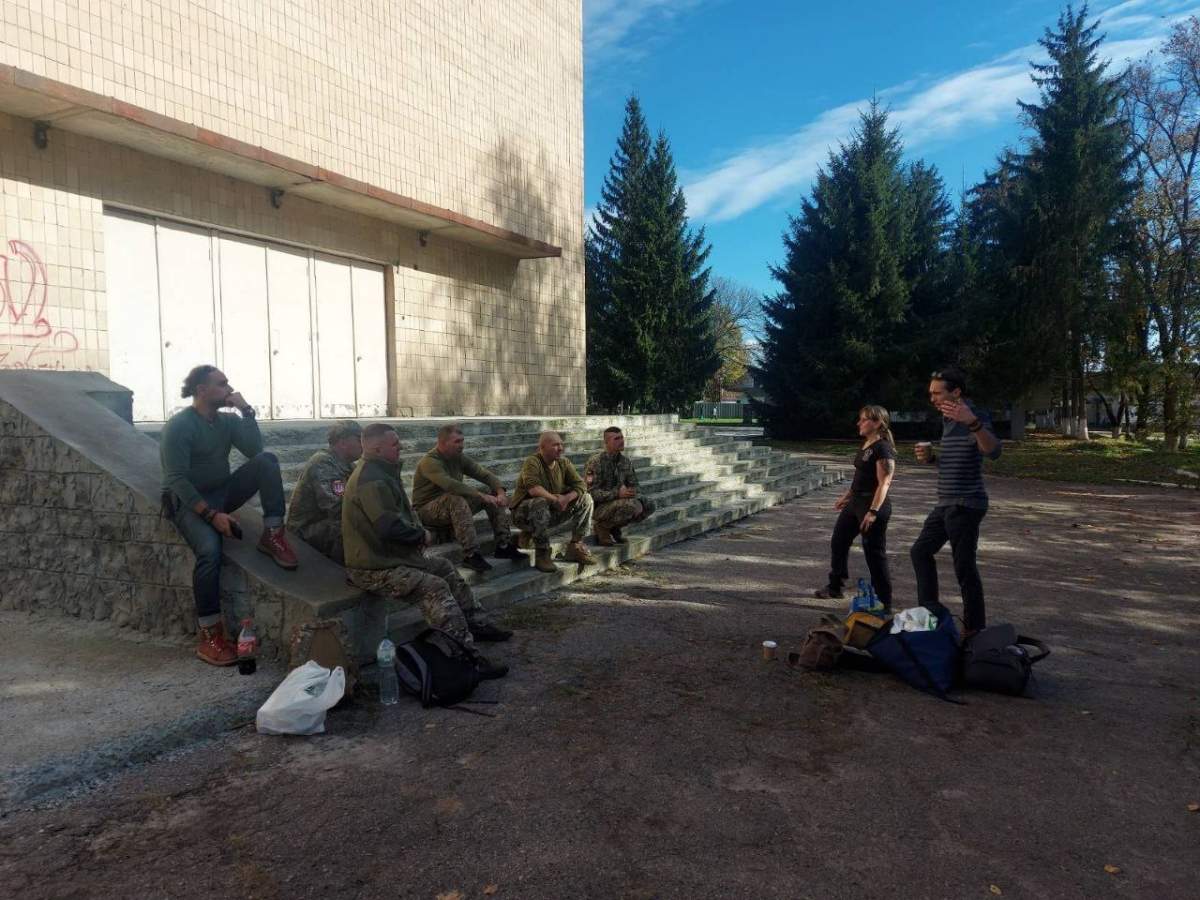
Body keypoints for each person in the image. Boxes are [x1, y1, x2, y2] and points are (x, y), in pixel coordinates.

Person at [341, 423, 510, 678]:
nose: (402, 447)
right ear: (376, 448)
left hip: (390, 557)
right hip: (372, 567)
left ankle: (477, 623)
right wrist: (421, 535)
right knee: (434, 587)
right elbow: (387, 526)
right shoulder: (371, 478)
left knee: (445, 567)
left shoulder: (382, 470)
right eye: (395, 443)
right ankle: (466, 659)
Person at [160, 365, 298, 666]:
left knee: (267, 461)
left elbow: (254, 449)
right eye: (222, 385)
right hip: (189, 501)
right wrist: (211, 516)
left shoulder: (225, 421)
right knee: (210, 552)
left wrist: (246, 410)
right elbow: (177, 480)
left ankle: (272, 535)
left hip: (222, 492)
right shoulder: (180, 426)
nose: (228, 389)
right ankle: (210, 635)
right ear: (201, 390)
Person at [910, 366, 1002, 637]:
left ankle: (974, 631)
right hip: (946, 502)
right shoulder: (948, 419)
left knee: (964, 567)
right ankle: (930, 615)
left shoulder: (974, 415)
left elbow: (993, 451)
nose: (933, 398)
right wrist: (932, 459)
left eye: (937, 393)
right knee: (920, 551)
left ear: (956, 392)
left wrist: (972, 422)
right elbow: (957, 459)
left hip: (967, 503)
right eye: (931, 393)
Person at [814, 405, 896, 611]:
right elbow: (861, 477)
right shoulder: (867, 444)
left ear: (877, 423)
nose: (859, 423)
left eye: (864, 419)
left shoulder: (882, 448)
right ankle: (835, 586)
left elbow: (884, 483)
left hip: (872, 505)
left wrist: (873, 512)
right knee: (839, 541)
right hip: (856, 503)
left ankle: (884, 602)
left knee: (874, 553)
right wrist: (847, 496)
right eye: (860, 419)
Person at [411, 423, 522, 572]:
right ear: (442, 443)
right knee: (457, 498)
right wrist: (480, 496)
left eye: (462, 441)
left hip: (451, 506)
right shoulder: (430, 461)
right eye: (457, 442)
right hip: (427, 511)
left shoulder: (458, 457)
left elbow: (484, 474)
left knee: (490, 494)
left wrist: (500, 492)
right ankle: (471, 554)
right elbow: (450, 485)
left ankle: (504, 545)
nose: (461, 445)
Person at [510, 431, 596, 573]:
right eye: (556, 445)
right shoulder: (532, 462)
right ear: (542, 447)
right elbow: (534, 489)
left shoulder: (563, 463)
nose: (561, 448)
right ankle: (542, 553)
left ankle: (575, 545)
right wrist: (555, 499)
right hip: (523, 515)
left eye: (561, 444)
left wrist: (566, 498)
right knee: (540, 502)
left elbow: (581, 485)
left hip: (551, 511)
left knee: (586, 499)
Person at [285, 420, 362, 564]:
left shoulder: (348, 465)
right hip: (304, 533)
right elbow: (336, 508)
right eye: (359, 439)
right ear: (343, 442)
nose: (363, 444)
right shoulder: (323, 463)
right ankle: (348, 568)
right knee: (346, 524)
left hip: (321, 525)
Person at [584, 426, 656, 546]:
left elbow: (636, 485)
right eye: (616, 439)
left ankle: (614, 527)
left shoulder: (625, 462)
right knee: (630, 505)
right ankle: (602, 527)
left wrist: (633, 493)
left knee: (649, 504)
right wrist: (617, 493)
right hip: (599, 508)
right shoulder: (595, 462)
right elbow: (591, 493)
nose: (621, 441)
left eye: (622, 437)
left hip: (619, 502)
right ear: (606, 443)